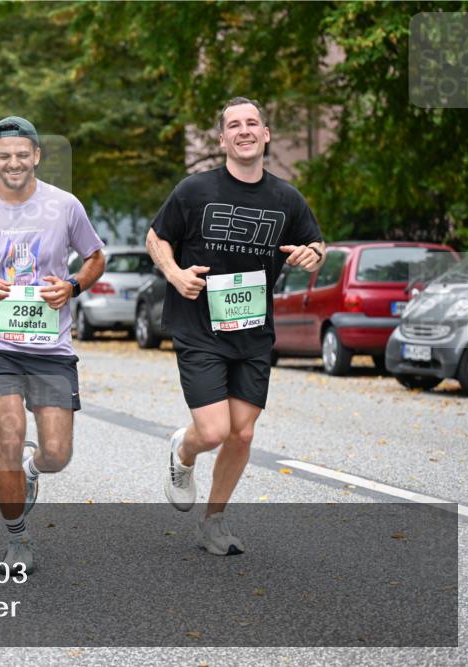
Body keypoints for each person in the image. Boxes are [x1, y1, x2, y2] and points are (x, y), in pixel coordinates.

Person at [146, 97, 326, 555]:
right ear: (223, 139)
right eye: (234, 125)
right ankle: (183, 453)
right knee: (212, 432)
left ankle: (214, 520)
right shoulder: (194, 189)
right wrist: (174, 273)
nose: (244, 131)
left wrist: (313, 254)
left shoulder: (286, 198)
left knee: (242, 432)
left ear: (265, 134)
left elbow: (316, 244)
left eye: (252, 123)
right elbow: (156, 236)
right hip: (200, 325)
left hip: (252, 331)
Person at [0, 116, 106, 574]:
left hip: (51, 346)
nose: (14, 163)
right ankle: (17, 539)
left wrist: (71, 285)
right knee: (7, 435)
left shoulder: (64, 205)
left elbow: (95, 257)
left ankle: (34, 470)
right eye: (4, 155)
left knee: (57, 453)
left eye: (22, 154)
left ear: (36, 156)